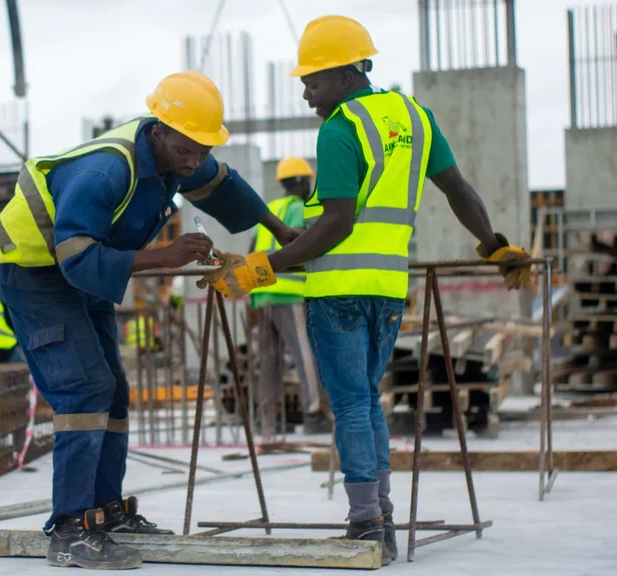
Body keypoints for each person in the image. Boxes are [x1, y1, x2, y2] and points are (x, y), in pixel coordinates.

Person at [199, 16, 532, 565]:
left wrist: (261, 269)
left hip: (338, 293)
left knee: (351, 404)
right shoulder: (415, 116)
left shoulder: (338, 129)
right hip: (387, 290)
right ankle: (381, 516)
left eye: (312, 80)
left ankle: (366, 524)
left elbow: (336, 225)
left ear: (346, 72)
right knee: (367, 401)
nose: (307, 93)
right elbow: (458, 189)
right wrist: (494, 245)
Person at [0, 70, 289, 570]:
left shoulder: (180, 151)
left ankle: (105, 513)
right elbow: (76, 257)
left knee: (114, 391)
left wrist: (282, 232)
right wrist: (165, 257)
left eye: (201, 150)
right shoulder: (106, 172)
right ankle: (69, 529)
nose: (193, 161)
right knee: (84, 388)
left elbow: (223, 188)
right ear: (158, 131)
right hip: (32, 269)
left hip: (81, 265)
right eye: (186, 150)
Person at [250, 158, 329, 436]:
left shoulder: (269, 210)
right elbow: (308, 244)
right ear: (301, 182)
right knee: (303, 354)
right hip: (288, 292)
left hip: (261, 295)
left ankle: (266, 420)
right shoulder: (300, 209)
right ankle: (313, 413)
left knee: (268, 360)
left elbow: (252, 249)